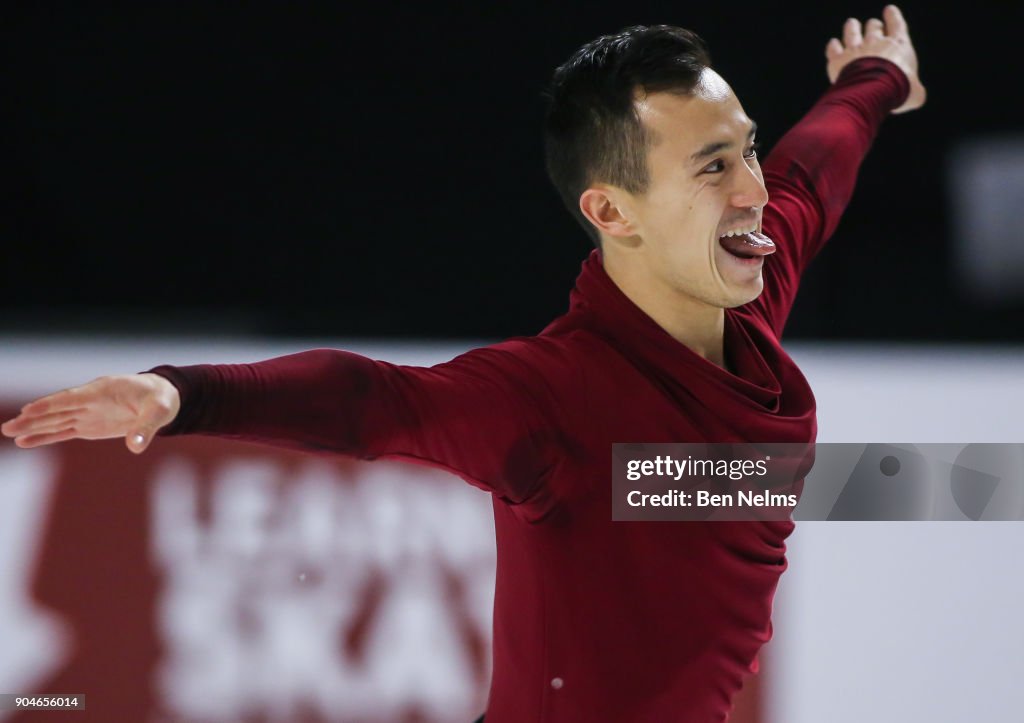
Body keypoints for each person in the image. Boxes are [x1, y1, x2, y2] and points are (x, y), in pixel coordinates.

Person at [2, 6, 925, 722]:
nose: (753, 189)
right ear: (613, 212)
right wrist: (182, 393)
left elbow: (816, 171)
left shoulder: (748, 289)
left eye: (746, 149)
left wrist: (876, 79)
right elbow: (374, 400)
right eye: (713, 166)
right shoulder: (551, 398)